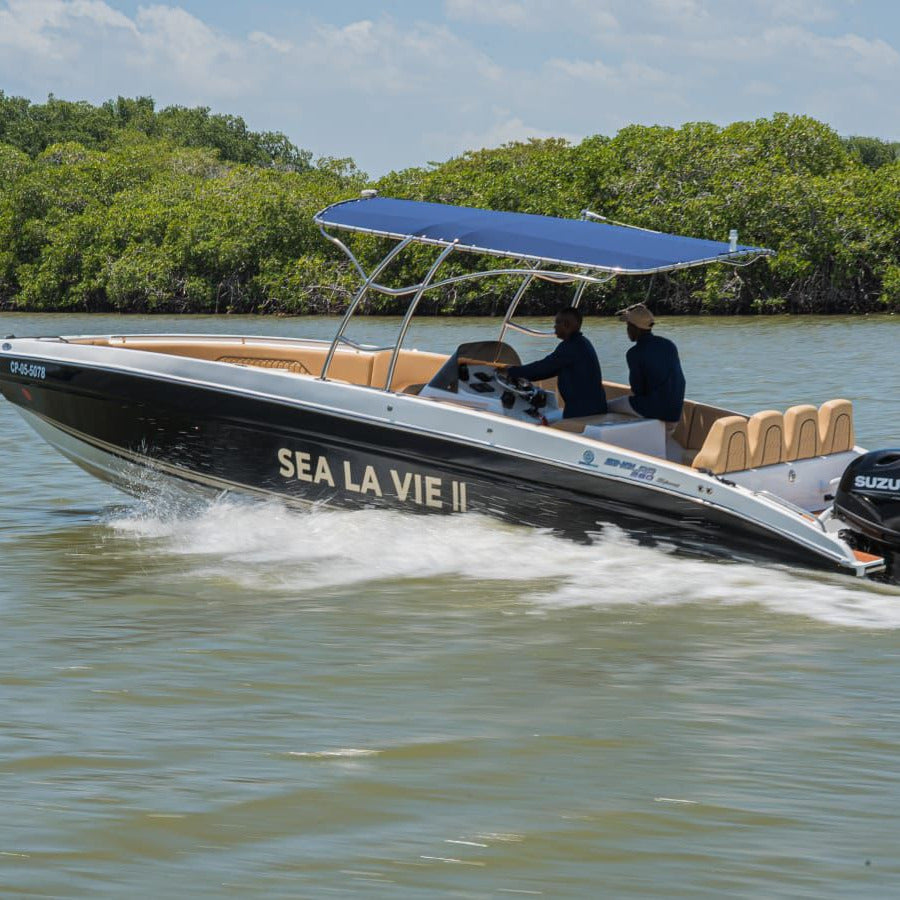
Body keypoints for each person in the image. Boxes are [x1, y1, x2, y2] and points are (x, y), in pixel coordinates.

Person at [505, 307, 607, 419]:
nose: (554, 326)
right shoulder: (583, 342)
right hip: (594, 409)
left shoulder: (570, 347)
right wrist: (518, 371)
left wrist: (511, 371)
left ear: (566, 325)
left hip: (582, 413)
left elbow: (542, 368)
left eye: (557, 323)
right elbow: (548, 369)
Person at [607, 303, 685, 429]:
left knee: (606, 407)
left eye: (628, 326)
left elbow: (638, 390)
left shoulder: (634, 353)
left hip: (654, 410)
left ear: (636, 328)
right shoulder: (668, 344)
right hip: (674, 415)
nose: (627, 330)